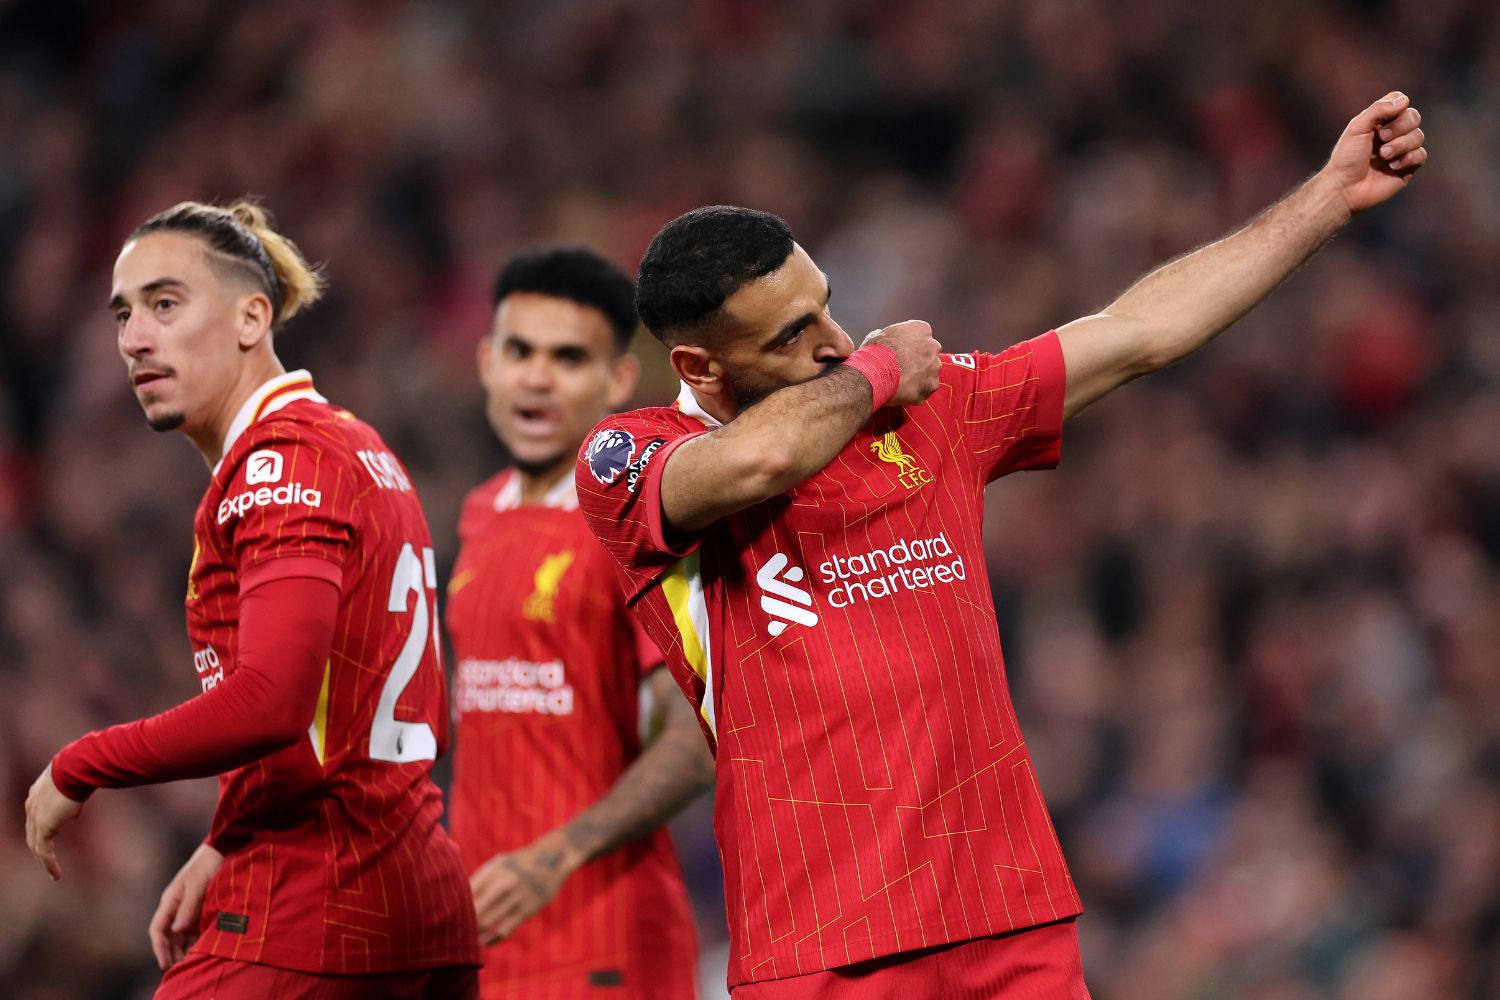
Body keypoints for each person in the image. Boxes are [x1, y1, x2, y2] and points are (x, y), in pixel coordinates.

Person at [574, 93, 1428, 998]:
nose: (832, 339)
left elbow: (1141, 331)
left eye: (827, 308)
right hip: (824, 939)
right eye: (793, 338)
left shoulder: (934, 415)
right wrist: (877, 368)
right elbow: (764, 456)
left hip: (1011, 914)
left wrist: (1329, 196)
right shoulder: (630, 457)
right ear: (700, 367)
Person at [23, 200, 482, 998]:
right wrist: (225, 840)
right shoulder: (352, 443)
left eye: (166, 305)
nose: (134, 338)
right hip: (418, 901)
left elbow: (272, 700)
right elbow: (338, 721)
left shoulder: (278, 464)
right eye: (124, 314)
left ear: (251, 317)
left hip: (317, 906)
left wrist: (80, 763)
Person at [448, 246, 713, 998]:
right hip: (489, 947)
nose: (536, 377)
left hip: (605, 948)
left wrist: (554, 857)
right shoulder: (476, 514)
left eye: (568, 357)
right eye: (519, 351)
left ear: (617, 380)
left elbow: (696, 744)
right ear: (487, 363)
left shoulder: (635, 523)